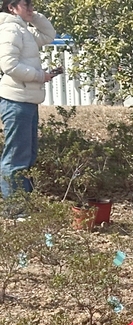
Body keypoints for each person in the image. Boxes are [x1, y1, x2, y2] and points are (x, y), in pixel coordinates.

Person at [0, 0, 55, 199]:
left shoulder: (24, 30)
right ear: (11, 8)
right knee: (16, 158)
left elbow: (49, 35)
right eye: (26, 5)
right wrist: (39, 76)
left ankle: (26, 203)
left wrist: (33, 15)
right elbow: (9, 65)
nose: (31, 9)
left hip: (26, 100)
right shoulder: (11, 29)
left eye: (32, 5)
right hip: (16, 101)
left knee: (27, 155)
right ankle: (15, 208)